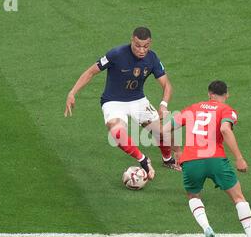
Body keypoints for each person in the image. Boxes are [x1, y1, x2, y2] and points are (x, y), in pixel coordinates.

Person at [165, 80, 251, 237]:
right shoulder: (226, 110)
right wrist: (239, 158)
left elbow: (165, 128)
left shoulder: (192, 108)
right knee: (239, 198)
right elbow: (225, 129)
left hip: (191, 161)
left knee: (193, 196)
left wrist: (177, 152)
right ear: (226, 94)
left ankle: (206, 227)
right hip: (216, 159)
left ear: (209, 93)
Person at [64, 27, 180, 179]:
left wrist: (164, 104)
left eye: (145, 46)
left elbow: (167, 84)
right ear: (132, 40)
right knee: (117, 132)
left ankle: (168, 159)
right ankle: (143, 160)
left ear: (150, 43)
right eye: (138, 45)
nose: (141, 50)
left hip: (138, 100)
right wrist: (72, 92)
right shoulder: (116, 54)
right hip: (113, 102)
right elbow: (90, 72)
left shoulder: (152, 58)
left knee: (162, 132)